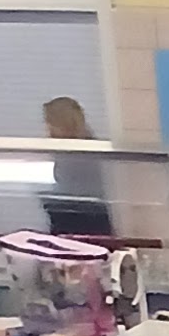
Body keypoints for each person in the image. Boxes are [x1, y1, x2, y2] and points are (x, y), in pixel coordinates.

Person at [41, 95, 116, 240]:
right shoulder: (80, 147)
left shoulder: (80, 152)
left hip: (81, 222)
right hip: (85, 220)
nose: (47, 127)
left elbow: (75, 190)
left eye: (49, 122)